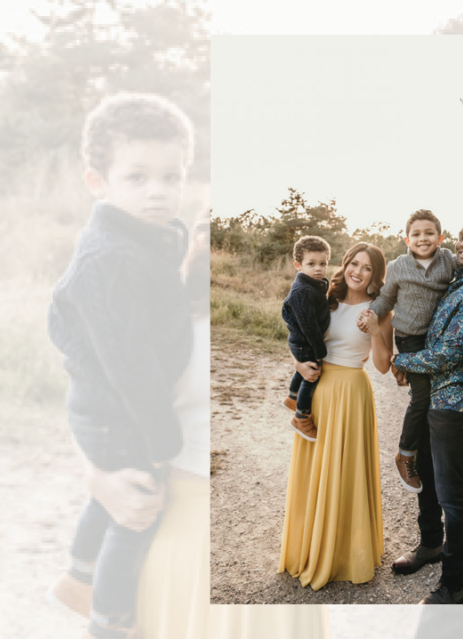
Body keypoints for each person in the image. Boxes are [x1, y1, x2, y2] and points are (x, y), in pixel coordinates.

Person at [78, 211, 331, 638]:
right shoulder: (147, 319)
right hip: (175, 511)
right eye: (198, 236)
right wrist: (95, 474)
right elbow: (92, 404)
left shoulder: (316, 290)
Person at [45, 93, 195, 639]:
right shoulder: (109, 259)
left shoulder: (145, 239)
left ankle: (79, 573)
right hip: (118, 413)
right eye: (137, 177)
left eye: (171, 177)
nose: (158, 191)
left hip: (110, 410)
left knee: (118, 500)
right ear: (98, 181)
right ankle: (107, 619)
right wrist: (162, 442)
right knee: (136, 512)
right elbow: (131, 367)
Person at [386, 216, 463, 605]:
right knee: (426, 475)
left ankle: (454, 585)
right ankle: (430, 545)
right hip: (434, 398)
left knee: (452, 495)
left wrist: (402, 361)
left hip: (459, 404)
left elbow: (447, 354)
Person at [278, 242, 395, 590]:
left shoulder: (380, 310)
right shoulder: (325, 296)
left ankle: (346, 551)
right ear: (344, 265)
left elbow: (383, 366)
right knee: (316, 469)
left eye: (367, 267)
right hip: (319, 388)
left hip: (352, 393)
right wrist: (298, 364)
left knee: (347, 470)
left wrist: (375, 330)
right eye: (354, 263)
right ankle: (310, 546)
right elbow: (299, 335)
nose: (358, 272)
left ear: (375, 274)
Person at [365, 209, 463, 493]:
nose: (423, 238)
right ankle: (405, 453)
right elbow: (386, 299)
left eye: (429, 233)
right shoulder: (398, 266)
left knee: (447, 373)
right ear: (407, 240)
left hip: (437, 335)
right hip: (410, 338)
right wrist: (369, 314)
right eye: (416, 234)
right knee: (421, 398)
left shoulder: (448, 261)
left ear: (440, 238)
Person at [281, 235, 332, 441]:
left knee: (304, 371)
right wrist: (320, 352)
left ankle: (293, 397)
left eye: (323, 263)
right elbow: (309, 326)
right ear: (298, 265)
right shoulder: (302, 291)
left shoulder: (314, 285)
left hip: (302, 341)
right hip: (305, 342)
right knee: (311, 375)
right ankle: (301, 417)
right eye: (311, 264)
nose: (318, 268)